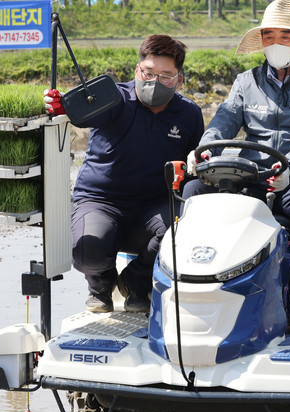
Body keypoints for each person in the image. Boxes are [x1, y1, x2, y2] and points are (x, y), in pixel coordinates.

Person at [183, 0, 290, 333]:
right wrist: (203, 151)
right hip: (252, 175)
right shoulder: (246, 81)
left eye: (285, 36)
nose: (276, 43)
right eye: (268, 36)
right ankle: (194, 288)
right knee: (195, 189)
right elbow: (223, 122)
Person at [45, 35, 204, 313]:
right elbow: (79, 111)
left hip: (154, 205)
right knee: (87, 252)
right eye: (149, 72)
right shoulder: (114, 100)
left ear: (179, 79)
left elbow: (196, 164)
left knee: (183, 231)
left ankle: (136, 281)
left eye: (166, 76)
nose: (155, 81)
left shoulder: (188, 113)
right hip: (101, 201)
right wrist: (59, 107)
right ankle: (101, 285)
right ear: (137, 70)